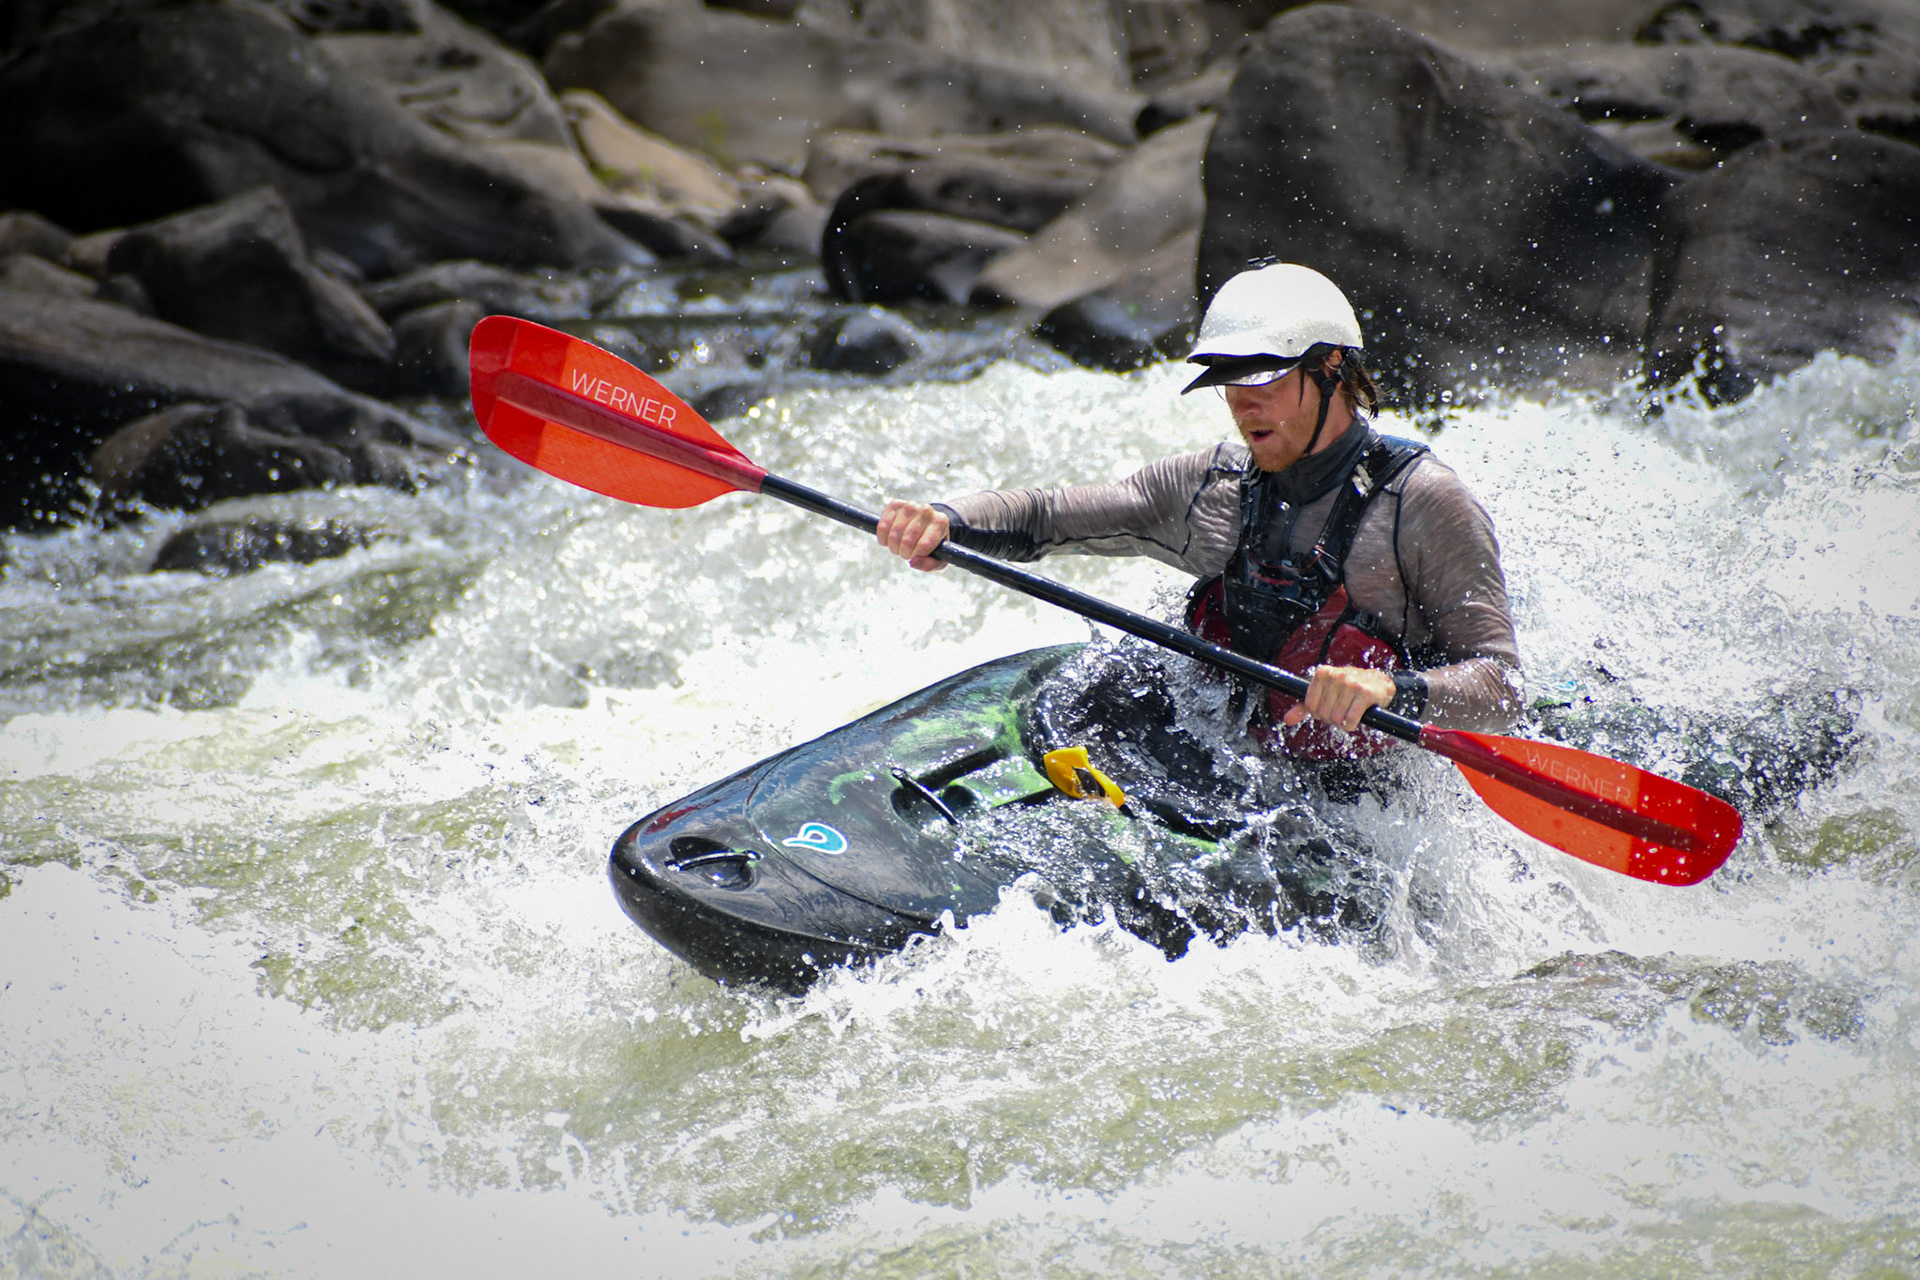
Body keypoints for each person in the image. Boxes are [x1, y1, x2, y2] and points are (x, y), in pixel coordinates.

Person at [876, 262, 1523, 764]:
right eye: (1228, 380)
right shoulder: (1211, 487)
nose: (1243, 405)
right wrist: (946, 521)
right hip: (1233, 768)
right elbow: (1050, 515)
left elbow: (1503, 688)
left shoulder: (1423, 503)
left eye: (1263, 378)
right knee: (1106, 683)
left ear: (1331, 366)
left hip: (1362, 803)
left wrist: (1391, 690)